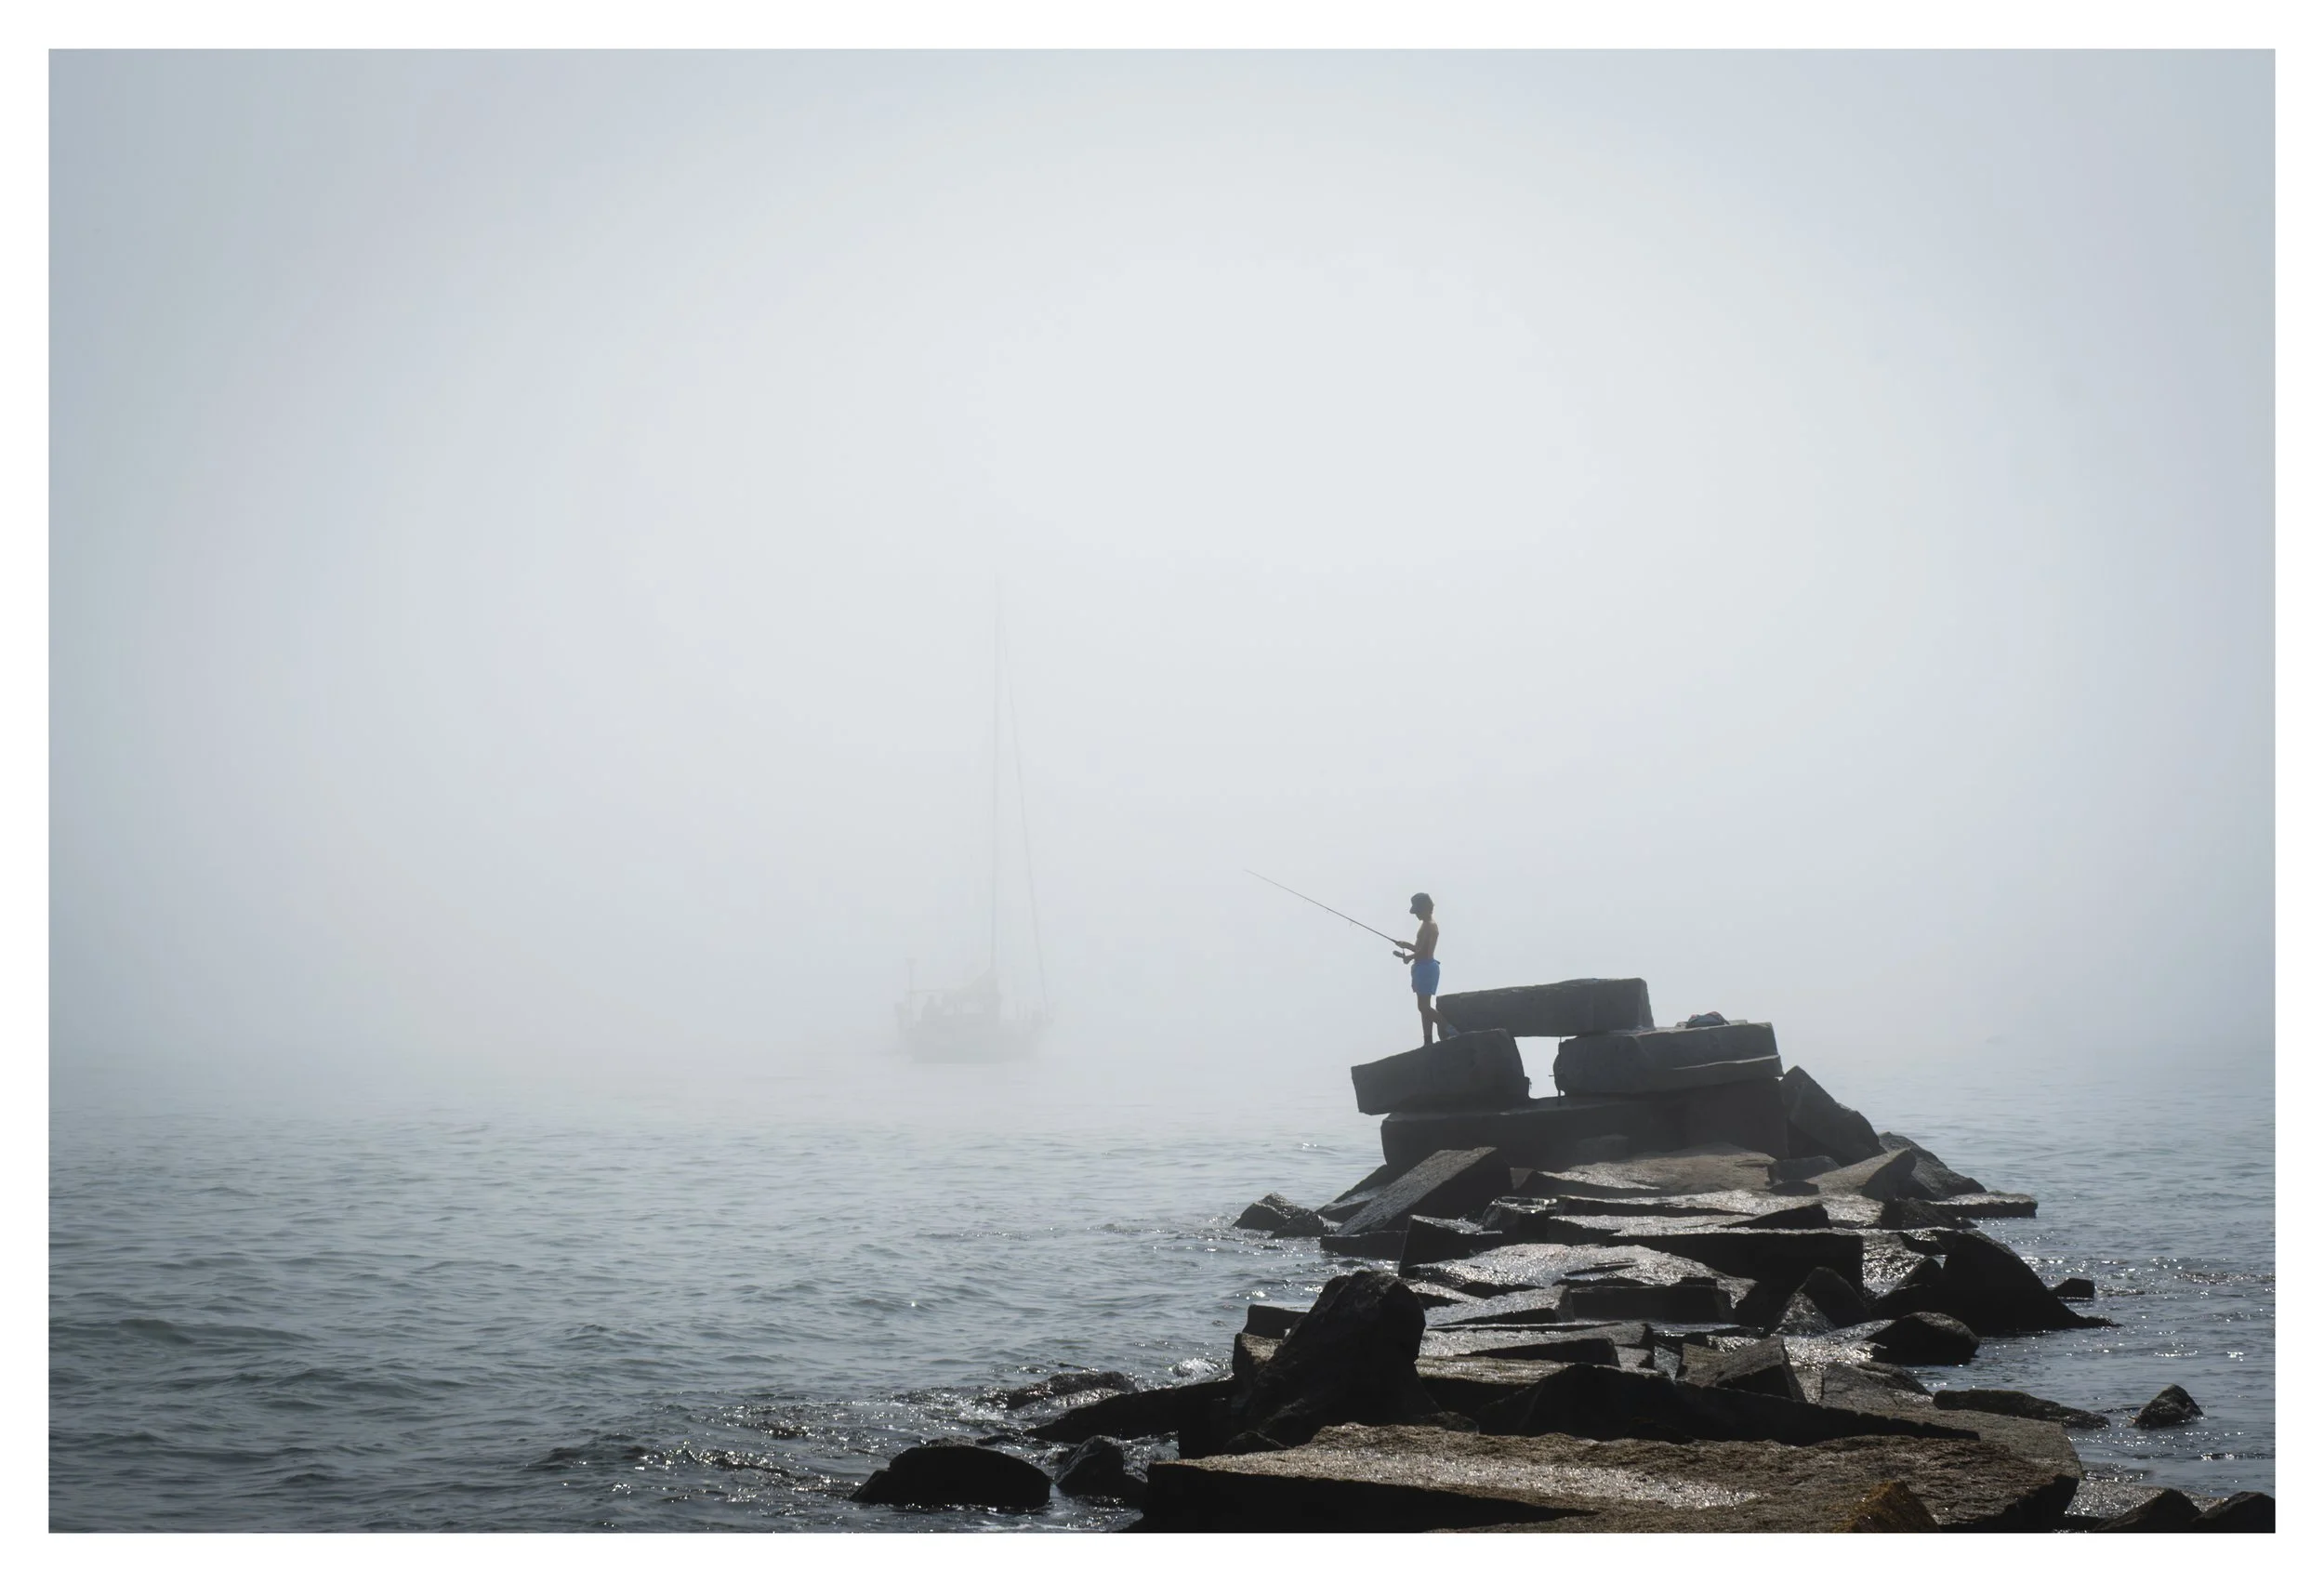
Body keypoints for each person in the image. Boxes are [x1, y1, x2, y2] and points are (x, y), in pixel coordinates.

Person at [1393, 892, 1442, 1045]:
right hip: (1422, 967)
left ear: (1426, 908)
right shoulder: (1424, 925)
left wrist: (1409, 957)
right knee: (1423, 1007)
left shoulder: (1431, 926)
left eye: (1418, 911)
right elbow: (1419, 948)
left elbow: (1426, 952)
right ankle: (1428, 1039)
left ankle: (1448, 1027)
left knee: (1424, 1007)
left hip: (1427, 967)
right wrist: (1406, 946)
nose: (1417, 915)